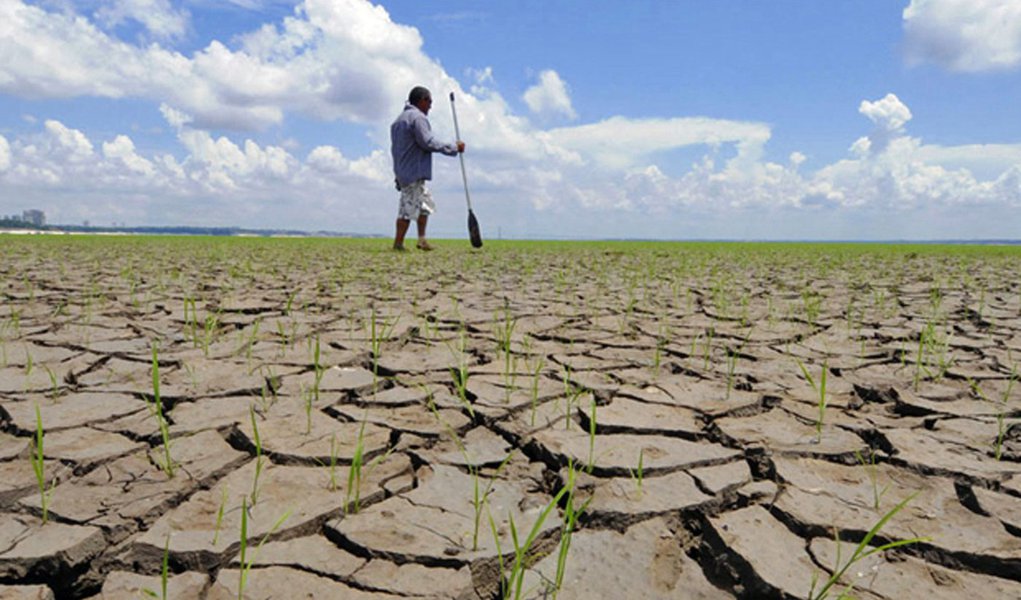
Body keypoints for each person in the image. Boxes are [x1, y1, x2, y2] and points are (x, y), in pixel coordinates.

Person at [390, 86, 465, 251]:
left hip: (404, 170)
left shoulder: (398, 121)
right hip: (412, 172)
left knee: (425, 205)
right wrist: (453, 147)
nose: (430, 106)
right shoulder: (417, 118)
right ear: (422, 100)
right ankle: (398, 244)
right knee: (407, 208)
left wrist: (397, 173)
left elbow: (395, 151)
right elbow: (427, 142)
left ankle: (422, 239)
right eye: (429, 102)